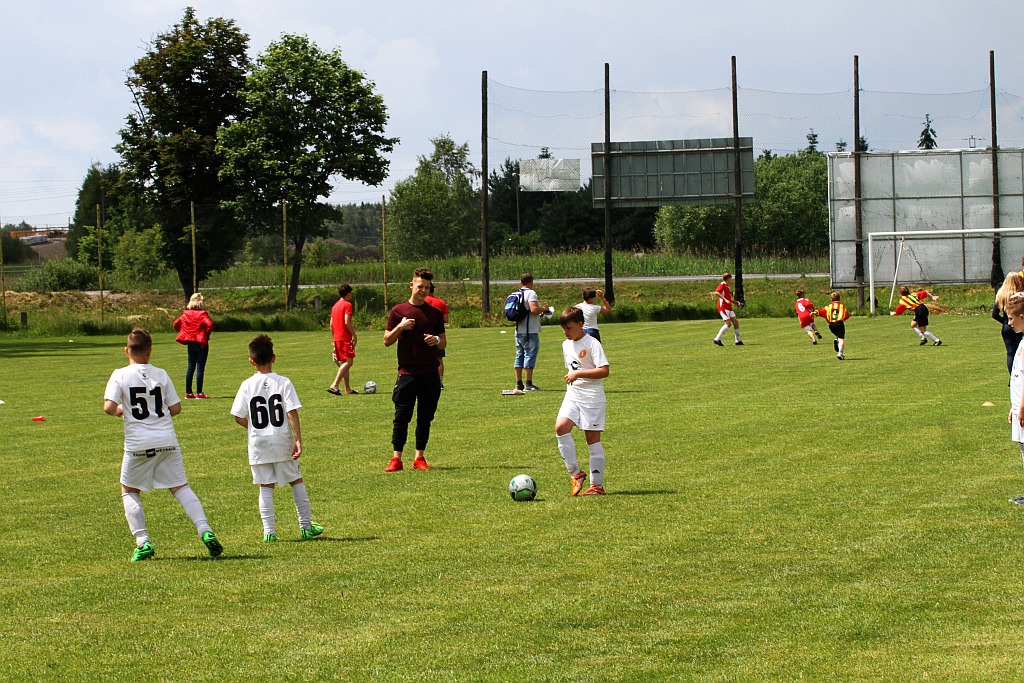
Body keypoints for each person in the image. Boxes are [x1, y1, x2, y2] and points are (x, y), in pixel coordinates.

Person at [103, 328, 223, 562]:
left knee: (129, 490)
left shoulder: (120, 374)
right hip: (167, 440)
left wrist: (122, 411)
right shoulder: (161, 373)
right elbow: (176, 408)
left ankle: (143, 541)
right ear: (150, 351)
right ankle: (205, 530)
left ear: (127, 350)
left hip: (138, 443)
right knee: (180, 487)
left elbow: (109, 407)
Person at [231, 335, 323, 542]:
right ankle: (306, 526)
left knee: (265, 486)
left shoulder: (247, 385)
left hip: (258, 443)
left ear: (251, 361)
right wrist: (298, 439)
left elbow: (238, 416)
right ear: (274, 358)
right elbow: (291, 412)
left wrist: (253, 427)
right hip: (281, 440)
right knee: (295, 480)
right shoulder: (283, 382)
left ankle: (269, 532)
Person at [383, 267, 447, 472]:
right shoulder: (398, 311)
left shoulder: (435, 313)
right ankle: (396, 458)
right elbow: (386, 341)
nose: (423, 290)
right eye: (420, 286)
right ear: (411, 285)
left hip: (430, 373)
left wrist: (435, 340)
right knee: (402, 416)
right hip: (407, 373)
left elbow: (443, 342)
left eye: (427, 287)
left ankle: (419, 457)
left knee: (425, 417)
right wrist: (400, 327)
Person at [554, 306, 611, 496]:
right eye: (564, 328)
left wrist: (578, 374)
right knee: (561, 428)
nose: (566, 332)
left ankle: (597, 485)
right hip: (573, 394)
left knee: (592, 440)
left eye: (569, 328)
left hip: (591, 397)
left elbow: (604, 370)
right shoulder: (565, 345)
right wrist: (574, 376)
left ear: (580, 324)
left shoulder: (592, 343)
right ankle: (576, 474)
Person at [513, 273, 551, 391]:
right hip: (530, 331)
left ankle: (519, 383)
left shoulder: (515, 293)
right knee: (530, 355)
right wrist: (544, 309)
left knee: (519, 355)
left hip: (519, 330)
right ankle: (528, 384)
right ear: (531, 282)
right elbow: (534, 310)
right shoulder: (531, 293)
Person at [173, 292, 214, 399]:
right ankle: (199, 393)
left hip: (190, 341)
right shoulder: (202, 314)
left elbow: (176, 324)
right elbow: (209, 324)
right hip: (201, 342)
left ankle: (188, 392)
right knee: (200, 367)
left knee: (191, 367)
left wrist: (185, 331)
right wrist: (205, 334)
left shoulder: (186, 314)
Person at [1006, 293, 1024, 503]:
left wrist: (1022, 407)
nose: (1009, 322)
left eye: (1012, 318)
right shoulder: (1021, 341)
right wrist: (1014, 405)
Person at [327, 284, 358, 395]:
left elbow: (331, 324)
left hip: (337, 338)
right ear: (348, 293)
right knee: (349, 362)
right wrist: (354, 335)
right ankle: (335, 384)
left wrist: (334, 338)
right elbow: (346, 322)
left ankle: (347, 389)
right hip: (345, 338)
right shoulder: (347, 305)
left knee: (344, 362)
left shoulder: (335, 306)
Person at [993, 272, 1024, 373]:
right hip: (1019, 324)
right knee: (1019, 352)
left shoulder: (1000, 294)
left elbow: (994, 314)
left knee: (1010, 353)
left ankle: (1012, 376)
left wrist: (1005, 322)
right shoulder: (1018, 295)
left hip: (1006, 327)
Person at [424, 282, 450, 389]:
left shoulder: (421, 302)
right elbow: (445, 319)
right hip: (437, 334)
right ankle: (439, 383)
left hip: (423, 333)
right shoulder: (440, 302)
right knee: (438, 359)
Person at [816, 292, 851, 360]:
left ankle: (836, 339)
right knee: (841, 339)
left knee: (837, 334)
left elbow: (823, 311)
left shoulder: (829, 306)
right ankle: (840, 353)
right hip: (839, 323)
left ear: (831, 299)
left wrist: (816, 312)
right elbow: (846, 316)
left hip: (831, 325)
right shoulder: (842, 306)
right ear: (839, 298)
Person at [712, 272, 743, 346]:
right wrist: (725, 300)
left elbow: (728, 298)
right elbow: (716, 293)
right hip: (723, 307)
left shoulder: (727, 286)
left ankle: (738, 341)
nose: (731, 280)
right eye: (731, 278)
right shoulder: (722, 284)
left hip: (729, 307)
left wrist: (735, 302)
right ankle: (717, 339)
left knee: (735, 322)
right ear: (728, 278)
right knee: (728, 324)